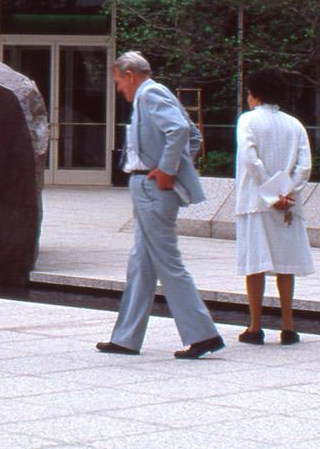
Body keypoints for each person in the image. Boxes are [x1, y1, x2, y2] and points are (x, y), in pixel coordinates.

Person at [96, 51, 224, 360]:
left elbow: (180, 132)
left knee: (168, 263)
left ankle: (203, 334)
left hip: (152, 187)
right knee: (141, 265)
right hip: (148, 186)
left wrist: (168, 169)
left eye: (118, 82)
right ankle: (126, 338)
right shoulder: (153, 95)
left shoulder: (150, 93)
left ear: (129, 74)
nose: (119, 89)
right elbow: (192, 134)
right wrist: (175, 166)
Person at [231, 69, 314, 345]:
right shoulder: (295, 125)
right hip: (288, 204)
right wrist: (286, 192)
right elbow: (304, 166)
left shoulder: (248, 121)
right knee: (285, 264)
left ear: (254, 94)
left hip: (255, 202)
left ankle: (255, 326)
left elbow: (250, 159)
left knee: (255, 264)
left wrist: (269, 192)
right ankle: (288, 325)